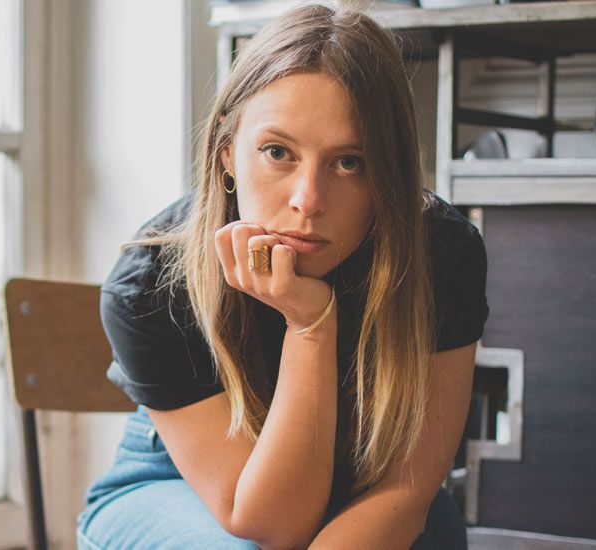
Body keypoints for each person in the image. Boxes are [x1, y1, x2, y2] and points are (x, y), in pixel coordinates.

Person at [75, 4, 489, 549]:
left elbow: (405, 493)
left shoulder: (441, 252)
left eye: (350, 162)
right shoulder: (152, 281)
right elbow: (272, 524)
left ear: (389, 169)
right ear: (227, 153)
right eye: (277, 152)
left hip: (362, 479)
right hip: (175, 481)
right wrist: (311, 323)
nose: (308, 201)